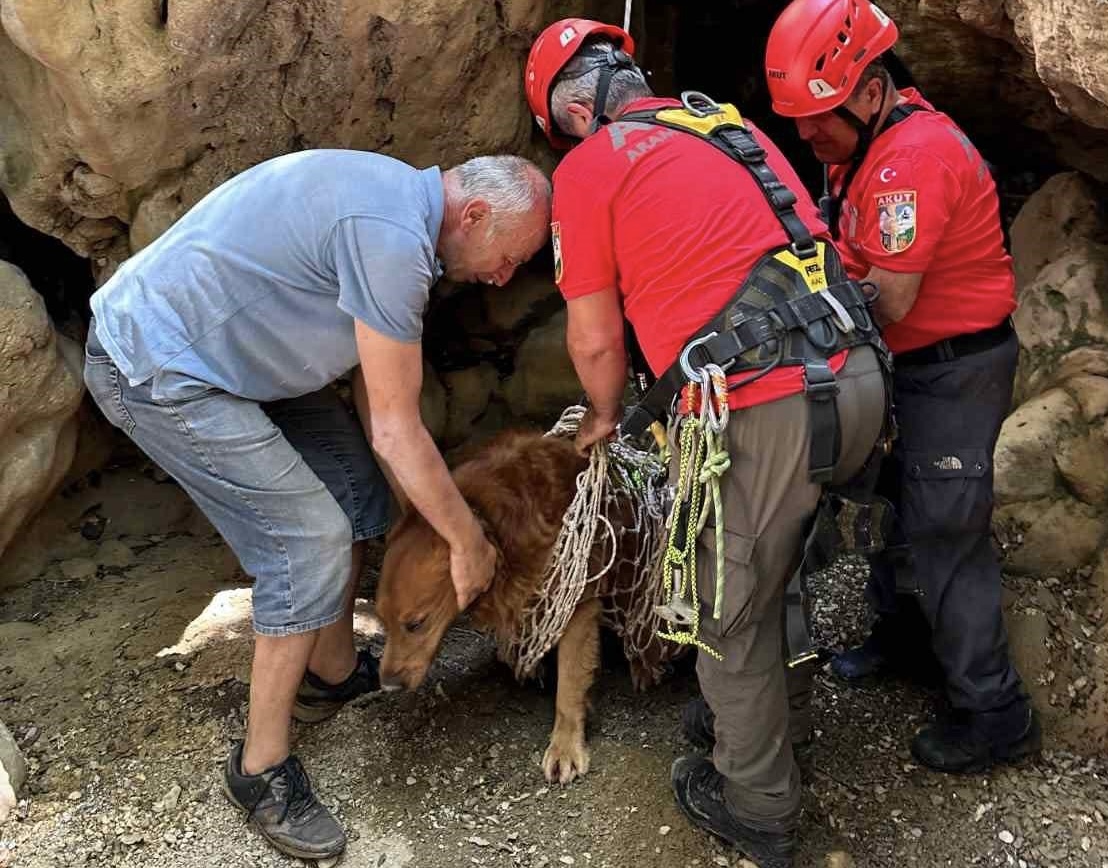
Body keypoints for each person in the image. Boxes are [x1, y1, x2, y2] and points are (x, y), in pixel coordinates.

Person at [84, 150, 551, 860]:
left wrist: (421, 512)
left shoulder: (401, 211)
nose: (503, 275)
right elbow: (399, 429)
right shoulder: (392, 238)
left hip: (234, 361)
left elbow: (378, 392)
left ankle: (331, 672)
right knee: (307, 540)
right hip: (157, 367)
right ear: (477, 215)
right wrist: (468, 542)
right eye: (510, 256)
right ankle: (260, 769)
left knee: (356, 491)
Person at [525, 20, 888, 867]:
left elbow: (592, 341)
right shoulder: (728, 124)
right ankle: (764, 720)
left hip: (766, 404)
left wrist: (604, 413)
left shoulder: (589, 167)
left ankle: (756, 805)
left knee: (728, 615)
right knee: (779, 565)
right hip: (859, 376)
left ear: (577, 111)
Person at [765, 0, 1041, 773]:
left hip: (951, 368)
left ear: (871, 89)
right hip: (911, 365)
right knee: (897, 508)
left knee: (947, 530)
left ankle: (996, 713)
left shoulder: (910, 160)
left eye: (819, 117)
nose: (807, 135)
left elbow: (888, 299)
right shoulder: (869, 147)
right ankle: (913, 639)